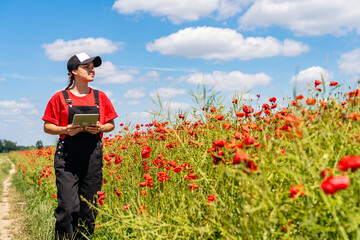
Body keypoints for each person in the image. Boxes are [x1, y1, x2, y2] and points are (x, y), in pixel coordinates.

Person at [42, 52, 118, 239]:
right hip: (67, 158)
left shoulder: (101, 97)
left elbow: (111, 125)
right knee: (68, 207)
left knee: (89, 208)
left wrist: (100, 127)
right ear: (74, 71)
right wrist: (65, 129)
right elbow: (47, 127)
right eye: (87, 67)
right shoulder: (59, 98)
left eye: (93, 66)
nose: (92, 69)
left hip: (92, 156)